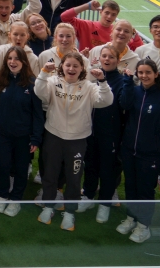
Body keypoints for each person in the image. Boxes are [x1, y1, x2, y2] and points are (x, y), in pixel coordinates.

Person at [34, 51, 113, 231]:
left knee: (74, 177)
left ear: (82, 69)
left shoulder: (89, 86)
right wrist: (44, 72)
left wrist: (102, 81)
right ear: (62, 66)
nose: (71, 69)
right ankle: (48, 207)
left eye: (75, 66)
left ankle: (69, 212)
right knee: (50, 174)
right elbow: (39, 92)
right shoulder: (53, 81)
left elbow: (106, 101)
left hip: (77, 139)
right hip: (53, 135)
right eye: (68, 65)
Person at [115, 59, 160, 243]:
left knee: (145, 190)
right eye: (140, 72)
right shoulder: (135, 90)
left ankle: (143, 226)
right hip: (129, 150)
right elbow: (125, 104)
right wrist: (128, 83)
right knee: (130, 186)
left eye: (148, 72)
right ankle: (131, 217)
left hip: (151, 154)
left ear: (156, 74)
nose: (144, 76)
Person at [0, 47, 44, 218]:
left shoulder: (33, 84)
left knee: (20, 169)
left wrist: (35, 138)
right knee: (1, 165)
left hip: (23, 136)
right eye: (9, 58)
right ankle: (3, 195)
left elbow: (37, 114)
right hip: (1, 133)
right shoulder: (0, 79)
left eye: (16, 59)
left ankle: (15, 199)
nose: (12, 62)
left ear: (24, 62)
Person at [78, 45, 125, 224]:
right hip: (90, 131)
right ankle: (88, 196)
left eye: (111, 57)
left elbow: (123, 107)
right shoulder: (92, 78)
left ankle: (105, 203)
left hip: (110, 134)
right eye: (104, 56)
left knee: (108, 170)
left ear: (118, 60)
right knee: (90, 165)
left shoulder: (121, 82)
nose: (107, 60)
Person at [61, 0, 142, 52]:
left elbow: (139, 48)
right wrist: (87, 6)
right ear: (100, 12)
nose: (109, 17)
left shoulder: (117, 33)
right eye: (107, 13)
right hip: (86, 66)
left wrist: (134, 34)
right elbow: (64, 17)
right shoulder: (86, 25)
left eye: (113, 15)